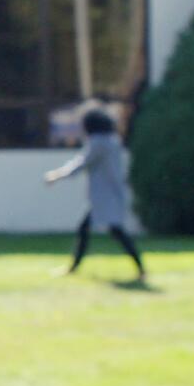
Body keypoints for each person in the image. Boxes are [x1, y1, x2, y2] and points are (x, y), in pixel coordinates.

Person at [47, 105, 145, 278]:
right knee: (89, 229)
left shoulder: (99, 142)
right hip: (110, 194)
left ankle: (140, 268)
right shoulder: (112, 140)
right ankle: (75, 267)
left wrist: (57, 175)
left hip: (105, 196)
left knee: (115, 231)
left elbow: (82, 162)